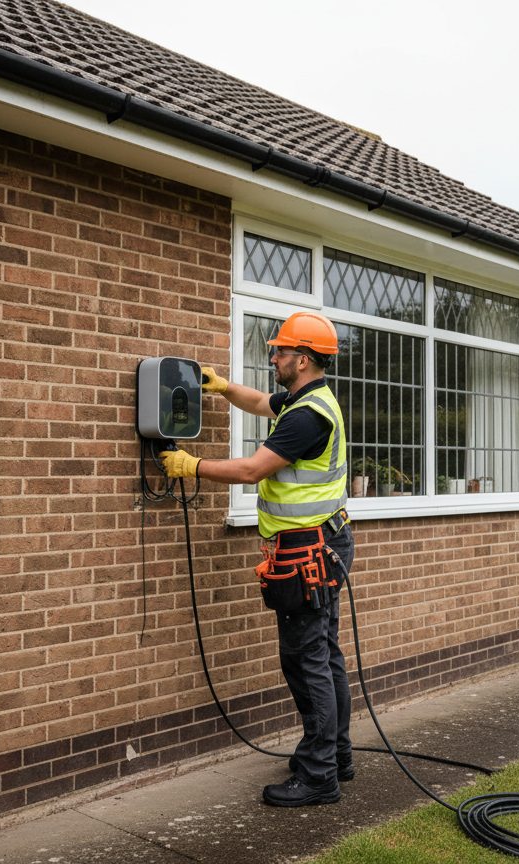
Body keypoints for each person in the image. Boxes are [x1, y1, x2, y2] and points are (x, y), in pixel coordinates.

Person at [159, 311, 354, 807]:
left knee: (306, 659)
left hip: (307, 550)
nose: (274, 356)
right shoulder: (306, 399)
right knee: (324, 654)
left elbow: (251, 470)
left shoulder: (309, 416)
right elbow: (262, 402)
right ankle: (334, 755)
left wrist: (191, 466)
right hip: (323, 541)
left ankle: (318, 776)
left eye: (281, 351)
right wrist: (221, 387)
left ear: (303, 359)